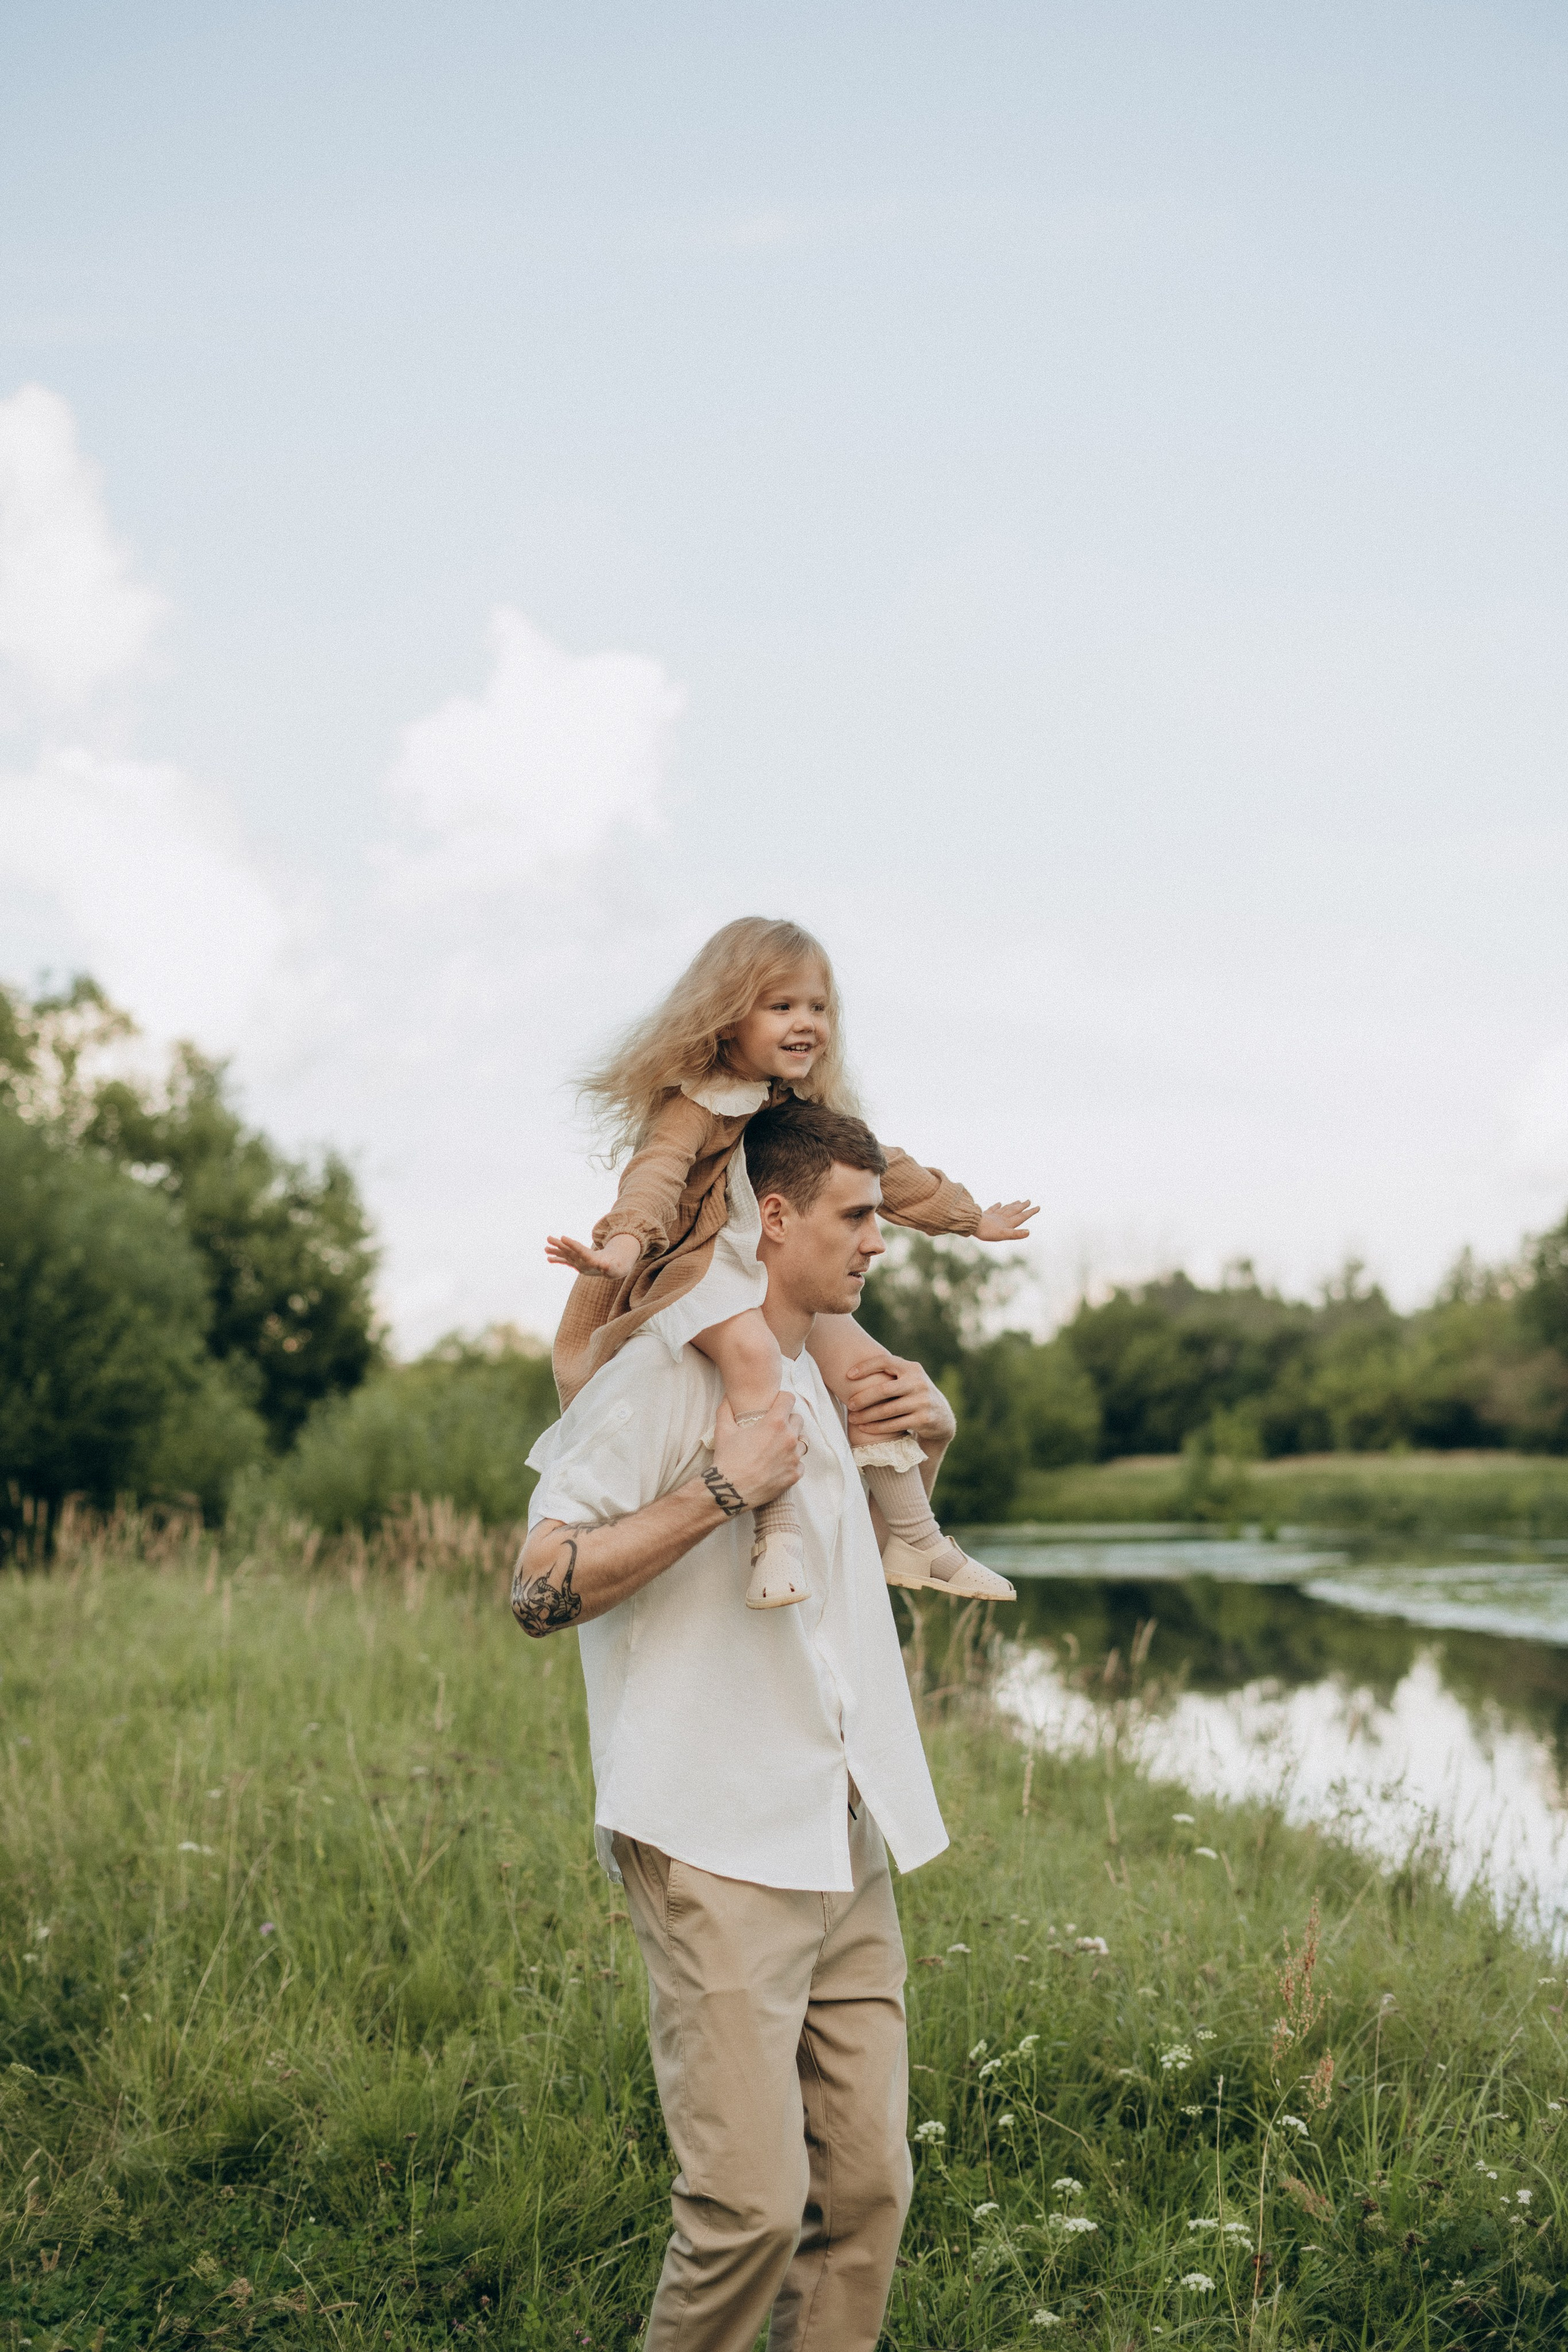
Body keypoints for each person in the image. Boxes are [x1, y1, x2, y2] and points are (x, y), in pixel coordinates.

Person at [513, 1097, 1014, 2351]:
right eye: (856, 1217)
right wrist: (719, 1493)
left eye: (881, 1215)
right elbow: (538, 1584)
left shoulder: (817, 1380)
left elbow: (856, 1584)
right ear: (774, 1217)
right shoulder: (664, 1378)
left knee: (863, 2194)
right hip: (710, 1835)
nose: (877, 1242)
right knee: (744, 2211)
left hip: (840, 1832)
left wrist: (926, 1449)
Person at [546, 914, 1037, 1607]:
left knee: (873, 1377)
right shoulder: (695, 1105)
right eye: (781, 1007)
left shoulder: (803, 1108)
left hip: (775, 1277)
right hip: (702, 1276)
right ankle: (774, 1534)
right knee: (752, 1354)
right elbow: (655, 1177)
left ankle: (917, 1537)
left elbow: (884, 1170)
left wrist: (968, 1217)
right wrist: (621, 1247)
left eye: (817, 1007)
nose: (805, 1022)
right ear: (724, 1019)